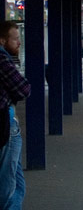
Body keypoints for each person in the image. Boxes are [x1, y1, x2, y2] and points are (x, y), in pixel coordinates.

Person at [0, 22, 30, 210]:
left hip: (8, 122)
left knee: (18, 183)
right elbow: (23, 88)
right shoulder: (2, 60)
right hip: (7, 122)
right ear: (3, 41)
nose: (19, 43)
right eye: (15, 39)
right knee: (9, 183)